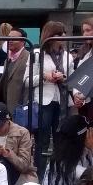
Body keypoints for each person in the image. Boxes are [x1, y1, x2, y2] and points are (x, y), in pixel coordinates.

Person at [27, 22, 72, 173]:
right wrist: (44, 77)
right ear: (50, 35)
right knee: (42, 141)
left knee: (61, 140)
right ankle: (39, 175)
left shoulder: (68, 56)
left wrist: (63, 78)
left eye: (64, 33)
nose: (63, 36)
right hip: (43, 101)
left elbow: (73, 79)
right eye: (59, 33)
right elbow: (27, 80)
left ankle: (58, 175)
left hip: (62, 102)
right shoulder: (37, 54)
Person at [0, 29, 30, 120]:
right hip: (6, 105)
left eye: (14, 38)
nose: (10, 41)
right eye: (9, 38)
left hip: (21, 107)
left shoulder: (29, 57)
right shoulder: (8, 58)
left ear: (23, 41)